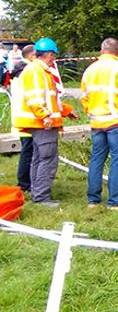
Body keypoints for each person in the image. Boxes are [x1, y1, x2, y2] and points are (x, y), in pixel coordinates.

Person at [14, 38, 78, 207]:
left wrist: (65, 111)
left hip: (40, 122)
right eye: (53, 56)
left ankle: (37, 192)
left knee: (38, 158)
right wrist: (44, 116)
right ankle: (42, 197)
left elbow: (50, 99)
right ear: (49, 54)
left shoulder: (39, 71)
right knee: (47, 158)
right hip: (42, 123)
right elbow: (34, 97)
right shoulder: (36, 71)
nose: (54, 59)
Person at [81, 38, 118, 210]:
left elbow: (84, 97)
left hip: (97, 121)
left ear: (101, 50)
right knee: (117, 161)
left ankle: (93, 200)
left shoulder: (90, 69)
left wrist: (92, 112)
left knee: (96, 160)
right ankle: (114, 202)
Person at [8, 45, 36, 194]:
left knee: (28, 150)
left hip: (20, 116)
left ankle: (25, 182)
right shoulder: (28, 70)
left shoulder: (18, 70)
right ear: (32, 56)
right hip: (27, 118)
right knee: (28, 151)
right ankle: (24, 183)